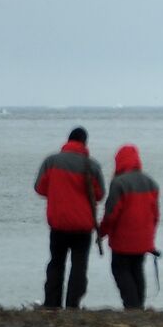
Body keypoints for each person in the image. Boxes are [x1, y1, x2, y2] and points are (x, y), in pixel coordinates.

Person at [34, 127, 105, 309]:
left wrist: (58, 192)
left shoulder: (51, 162)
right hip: (83, 226)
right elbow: (99, 194)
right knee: (79, 267)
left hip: (58, 224)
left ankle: (52, 303)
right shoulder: (92, 166)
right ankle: (73, 305)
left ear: (68, 140)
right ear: (85, 143)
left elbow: (40, 188)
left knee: (56, 264)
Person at [98, 144, 160, 310]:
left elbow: (111, 213)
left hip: (122, 240)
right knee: (137, 270)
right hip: (143, 240)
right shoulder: (151, 183)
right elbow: (155, 216)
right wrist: (149, 238)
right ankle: (138, 305)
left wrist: (101, 232)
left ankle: (132, 306)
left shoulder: (119, 183)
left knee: (120, 270)